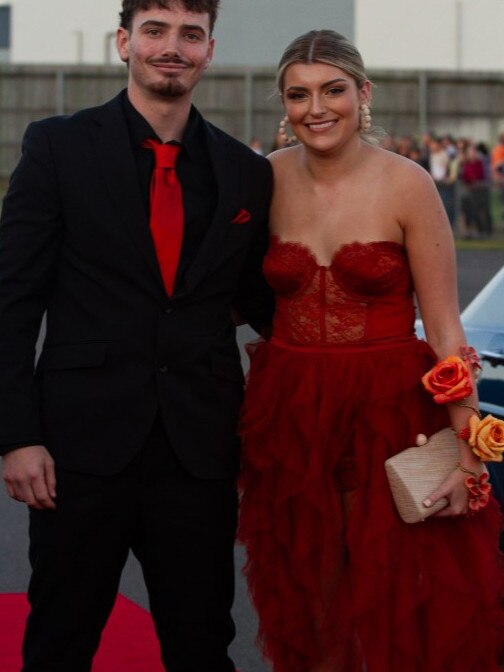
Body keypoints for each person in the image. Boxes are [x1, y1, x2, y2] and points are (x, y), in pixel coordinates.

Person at [0, 1, 274, 671]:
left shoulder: (246, 173)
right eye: (155, 30)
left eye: (190, 34)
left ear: (210, 49)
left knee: (203, 644)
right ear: (124, 41)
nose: (171, 47)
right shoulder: (57, 147)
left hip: (198, 452)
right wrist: (17, 436)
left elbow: (260, 302)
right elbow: (13, 300)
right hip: (77, 449)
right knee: (60, 642)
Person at [237, 30, 504, 672]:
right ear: (283, 103)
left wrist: (470, 458)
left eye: (333, 90)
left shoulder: (407, 184)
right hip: (290, 410)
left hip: (388, 408)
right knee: (310, 586)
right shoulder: (263, 179)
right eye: (298, 95)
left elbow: (445, 332)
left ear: (364, 94)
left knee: (394, 591)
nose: (316, 108)